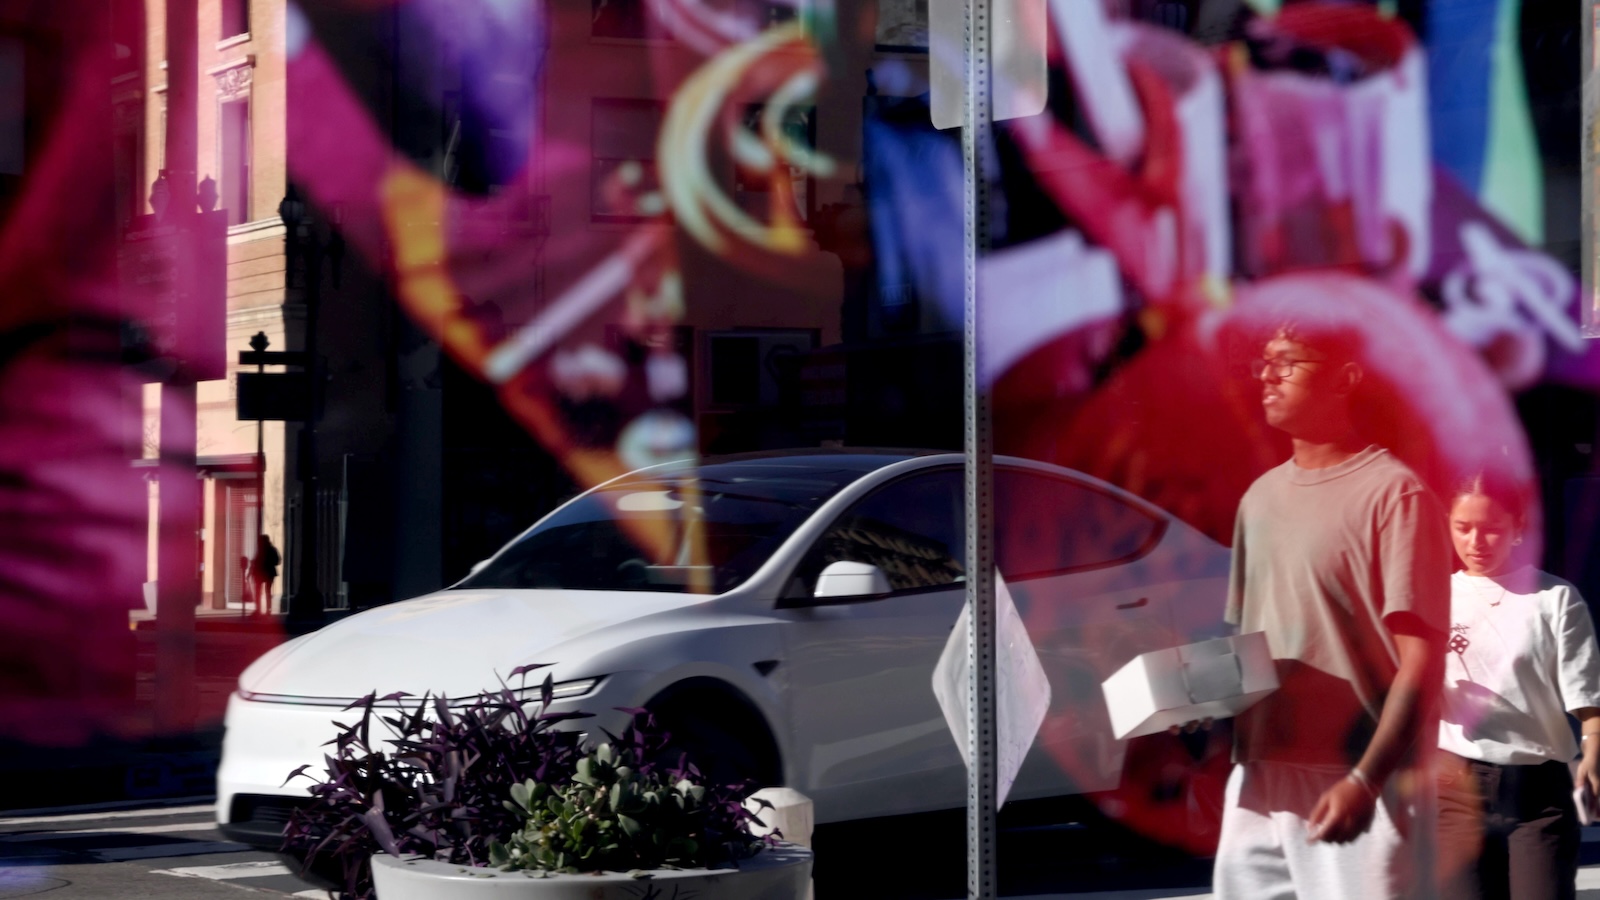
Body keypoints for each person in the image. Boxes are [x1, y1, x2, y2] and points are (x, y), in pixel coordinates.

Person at [1211, 322, 1451, 900]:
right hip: (1258, 781)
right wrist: (1193, 701)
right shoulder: (1259, 499)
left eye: (1288, 362)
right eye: (1262, 363)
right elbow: (1248, 648)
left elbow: (1422, 662)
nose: (1267, 376)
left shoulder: (1395, 495)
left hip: (1356, 776)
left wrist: (1366, 781)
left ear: (1345, 378)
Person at [1436, 470, 1600, 900]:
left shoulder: (1554, 598)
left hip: (1538, 795)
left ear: (1517, 527)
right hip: (1456, 790)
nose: (1476, 542)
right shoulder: (1433, 596)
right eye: (1463, 528)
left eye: (1491, 529)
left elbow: (1587, 695)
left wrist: (1593, 754)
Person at [250, 535, 280, 615]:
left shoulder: (262, 550)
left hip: (263, 573)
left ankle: (260, 609)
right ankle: (266, 610)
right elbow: (277, 561)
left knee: (260, 592)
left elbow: (276, 561)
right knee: (266, 591)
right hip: (267, 573)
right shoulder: (271, 550)